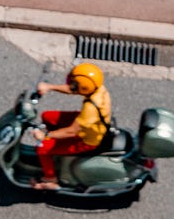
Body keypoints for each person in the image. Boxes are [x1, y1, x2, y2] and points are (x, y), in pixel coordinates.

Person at [30, 63, 112, 191]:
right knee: (48, 116)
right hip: (89, 123)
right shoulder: (98, 87)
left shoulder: (90, 109)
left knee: (42, 148)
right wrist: (49, 87)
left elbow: (71, 131)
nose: (71, 85)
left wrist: (45, 136)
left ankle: (50, 179)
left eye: (74, 83)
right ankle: (57, 154)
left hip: (87, 139)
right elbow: (73, 89)